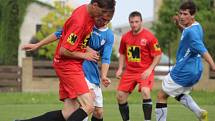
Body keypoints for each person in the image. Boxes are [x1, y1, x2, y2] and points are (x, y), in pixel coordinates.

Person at [16, 0, 116, 121]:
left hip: (72, 65)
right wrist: (86, 55)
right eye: (102, 12)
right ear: (95, 5)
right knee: (89, 106)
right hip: (68, 65)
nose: (102, 16)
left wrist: (38, 44)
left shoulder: (87, 12)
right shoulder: (79, 21)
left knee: (68, 113)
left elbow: (63, 33)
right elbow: (64, 50)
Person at [155, 1, 215, 121]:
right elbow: (187, 34)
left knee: (161, 96)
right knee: (177, 93)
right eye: (181, 13)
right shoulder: (196, 26)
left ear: (193, 15)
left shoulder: (191, 32)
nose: (182, 16)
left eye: (185, 14)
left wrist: (213, 65)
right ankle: (199, 113)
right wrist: (178, 24)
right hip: (196, 70)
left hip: (184, 70)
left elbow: (203, 50)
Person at [115, 11, 162, 121]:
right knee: (120, 96)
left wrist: (150, 70)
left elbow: (158, 55)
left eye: (136, 22)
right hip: (130, 72)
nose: (134, 24)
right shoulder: (125, 37)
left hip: (145, 71)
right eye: (132, 22)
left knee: (145, 92)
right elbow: (122, 52)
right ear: (129, 22)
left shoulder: (150, 37)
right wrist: (120, 68)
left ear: (141, 22)